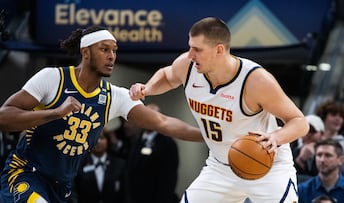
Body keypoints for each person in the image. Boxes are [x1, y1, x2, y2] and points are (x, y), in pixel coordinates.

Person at [0, 25, 203, 203]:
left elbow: (163, 122)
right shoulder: (53, 78)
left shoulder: (114, 97)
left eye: (114, 50)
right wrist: (55, 113)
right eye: (104, 49)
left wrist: (210, 135)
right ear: (85, 52)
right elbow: (1, 119)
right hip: (25, 174)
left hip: (62, 187)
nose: (112, 56)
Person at [129, 17, 309, 202]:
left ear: (219, 50)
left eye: (197, 49)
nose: (190, 54)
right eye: (190, 46)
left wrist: (276, 137)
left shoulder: (256, 81)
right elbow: (168, 76)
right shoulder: (187, 66)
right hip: (221, 166)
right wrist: (149, 87)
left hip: (266, 165)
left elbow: (300, 122)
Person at [128, 103, 179, 203]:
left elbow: (169, 177)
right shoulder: (137, 140)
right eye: (145, 116)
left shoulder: (167, 143)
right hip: (137, 197)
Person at [73, 127, 129, 203]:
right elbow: (74, 192)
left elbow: (126, 192)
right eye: (95, 138)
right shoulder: (79, 164)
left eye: (101, 138)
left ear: (107, 141)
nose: (98, 141)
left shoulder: (119, 164)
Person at [298, 138, 344, 203]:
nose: (322, 160)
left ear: (340, 160)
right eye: (319, 155)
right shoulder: (302, 190)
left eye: (328, 155)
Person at [293, 115, 325, 182]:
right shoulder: (293, 151)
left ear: (322, 134)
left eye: (312, 131)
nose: (308, 134)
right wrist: (300, 160)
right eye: (305, 131)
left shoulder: (330, 152)